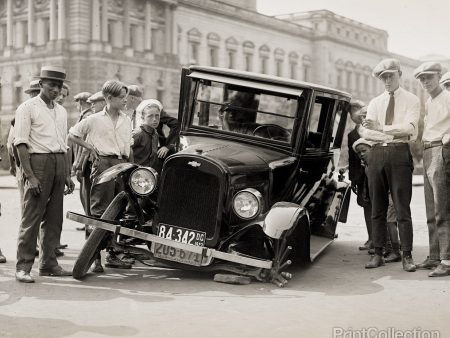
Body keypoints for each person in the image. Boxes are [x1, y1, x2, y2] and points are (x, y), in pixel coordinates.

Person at [13, 66, 75, 283]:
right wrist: (30, 176)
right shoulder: (27, 108)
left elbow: (64, 144)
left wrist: (67, 173)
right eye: (51, 85)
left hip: (58, 162)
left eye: (59, 86)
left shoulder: (61, 111)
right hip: (37, 162)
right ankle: (23, 266)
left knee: (55, 218)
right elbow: (20, 143)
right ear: (41, 84)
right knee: (32, 216)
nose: (56, 90)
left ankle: (49, 263)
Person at [361, 58, 420, 272]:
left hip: (399, 153)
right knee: (377, 206)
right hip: (377, 153)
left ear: (399, 75)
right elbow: (367, 132)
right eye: (383, 77)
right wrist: (386, 129)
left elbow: (410, 130)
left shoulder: (412, 100)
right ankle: (378, 253)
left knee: (402, 207)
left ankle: (407, 255)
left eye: (390, 76)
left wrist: (382, 127)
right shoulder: (376, 102)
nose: (387, 80)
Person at [69, 80, 133, 269]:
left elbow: (128, 146)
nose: (125, 101)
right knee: (98, 212)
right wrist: (90, 148)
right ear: (109, 98)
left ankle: (112, 255)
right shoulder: (94, 119)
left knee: (118, 212)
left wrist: (132, 167)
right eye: (121, 97)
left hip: (122, 164)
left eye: (126, 97)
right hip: (103, 164)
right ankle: (94, 258)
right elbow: (72, 135)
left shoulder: (127, 120)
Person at [414, 62, 450, 277]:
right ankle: (435, 255)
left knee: (442, 208)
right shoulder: (429, 101)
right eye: (422, 79)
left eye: (429, 77)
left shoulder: (448, 97)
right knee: (430, 209)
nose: (425, 82)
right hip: (428, 151)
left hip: (440, 150)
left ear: (439, 76)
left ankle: (446, 260)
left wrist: (446, 141)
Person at [352, 138, 401, 263]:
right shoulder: (368, 166)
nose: (361, 154)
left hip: (391, 195)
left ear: (372, 150)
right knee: (383, 221)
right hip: (383, 196)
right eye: (359, 153)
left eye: (364, 151)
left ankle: (396, 251)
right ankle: (387, 247)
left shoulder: (379, 163)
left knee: (390, 222)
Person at [347, 100, 372, 251]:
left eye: (358, 109)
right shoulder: (351, 134)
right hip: (361, 177)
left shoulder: (372, 130)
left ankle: (383, 240)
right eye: (351, 112)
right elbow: (351, 158)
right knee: (366, 206)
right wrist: (353, 179)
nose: (354, 114)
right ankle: (371, 238)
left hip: (374, 173)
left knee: (379, 206)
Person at [132, 99, 163, 171]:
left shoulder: (155, 134)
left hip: (149, 174)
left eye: (157, 116)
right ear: (143, 118)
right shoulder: (138, 134)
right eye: (150, 116)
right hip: (135, 174)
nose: (155, 119)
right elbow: (125, 155)